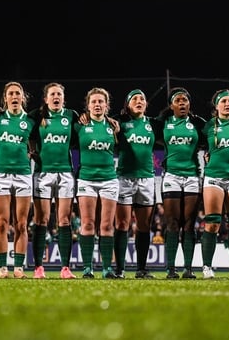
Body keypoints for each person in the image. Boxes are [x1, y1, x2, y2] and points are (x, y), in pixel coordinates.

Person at [28, 82, 80, 279]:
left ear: (63, 98)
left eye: (59, 94)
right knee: (41, 219)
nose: (56, 97)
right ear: (46, 98)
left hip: (65, 173)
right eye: (52, 94)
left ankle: (65, 268)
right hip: (43, 172)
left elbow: (81, 134)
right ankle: (38, 268)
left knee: (64, 219)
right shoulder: (37, 116)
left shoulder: (71, 115)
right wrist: (31, 150)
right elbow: (25, 132)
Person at [153, 87, 206, 279]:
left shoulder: (198, 123)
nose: (182, 103)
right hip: (171, 177)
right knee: (172, 223)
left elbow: (215, 132)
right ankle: (170, 269)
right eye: (178, 100)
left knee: (189, 224)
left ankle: (188, 269)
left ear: (189, 104)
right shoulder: (162, 123)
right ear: (171, 105)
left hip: (192, 176)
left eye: (185, 100)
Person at [200, 89, 229, 279]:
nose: (228, 104)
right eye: (224, 101)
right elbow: (194, 142)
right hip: (214, 177)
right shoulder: (207, 126)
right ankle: (206, 267)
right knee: (212, 223)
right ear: (216, 105)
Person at [0, 82, 35, 278]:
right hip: (1, 173)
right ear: (5, 98)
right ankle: (2, 268)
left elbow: (37, 142)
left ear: (22, 97)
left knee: (22, 224)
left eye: (18, 93)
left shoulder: (31, 120)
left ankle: (18, 268)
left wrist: (33, 152)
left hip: (24, 175)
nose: (14, 96)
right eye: (11, 93)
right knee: (1, 222)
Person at [74, 87, 120, 279]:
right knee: (87, 223)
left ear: (107, 105)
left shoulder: (113, 127)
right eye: (94, 101)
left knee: (107, 225)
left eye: (101, 101)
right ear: (88, 105)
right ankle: (87, 268)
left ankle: (107, 268)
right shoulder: (79, 125)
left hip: (109, 179)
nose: (97, 104)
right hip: (87, 178)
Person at [112, 89, 158, 279]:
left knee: (144, 225)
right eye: (135, 99)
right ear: (127, 104)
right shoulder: (119, 123)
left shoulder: (154, 124)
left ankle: (141, 269)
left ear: (146, 104)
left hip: (147, 178)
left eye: (142, 99)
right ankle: (120, 270)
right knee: (122, 223)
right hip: (125, 178)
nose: (139, 101)